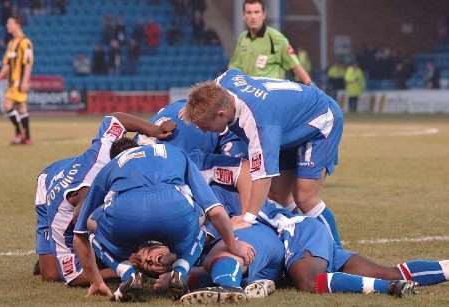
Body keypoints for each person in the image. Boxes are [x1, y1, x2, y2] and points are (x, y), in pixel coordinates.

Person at [73, 139, 255, 301]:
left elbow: (79, 234)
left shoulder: (110, 167)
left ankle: (128, 274)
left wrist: (96, 281)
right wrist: (233, 244)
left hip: (125, 216)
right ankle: (181, 270)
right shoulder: (175, 153)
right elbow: (215, 212)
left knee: (90, 227)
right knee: (201, 216)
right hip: (177, 213)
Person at [184, 68, 343, 246]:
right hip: (288, 122)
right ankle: (299, 241)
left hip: (319, 121)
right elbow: (215, 86)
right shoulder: (223, 83)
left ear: (221, 114)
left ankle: (337, 252)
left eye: (205, 125)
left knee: (304, 197)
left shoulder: (259, 124)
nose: (204, 131)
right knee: (278, 197)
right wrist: (191, 106)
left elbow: (263, 175)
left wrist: (248, 217)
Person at [34, 113, 176, 285]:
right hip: (49, 183)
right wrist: (125, 270)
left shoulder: (105, 150)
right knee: (51, 274)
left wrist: (153, 129)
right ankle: (58, 252)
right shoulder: (62, 216)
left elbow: (115, 119)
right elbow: (74, 276)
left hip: (75, 172)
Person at [257, 200, 449, 297]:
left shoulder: (231, 197)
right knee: (385, 272)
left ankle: (390, 289)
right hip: (305, 234)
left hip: (297, 232)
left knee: (308, 281)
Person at [229, 0, 311, 84]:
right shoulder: (242, 38)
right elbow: (234, 68)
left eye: (256, 12)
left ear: (264, 15)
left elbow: (296, 67)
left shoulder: (277, 38)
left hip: (271, 93)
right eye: (249, 13)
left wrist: (313, 89)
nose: (253, 16)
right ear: (243, 16)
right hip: (248, 93)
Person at [0, 15, 33, 144]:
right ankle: (27, 137)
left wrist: (25, 81)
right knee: (21, 107)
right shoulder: (11, 44)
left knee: (7, 105)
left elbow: (28, 63)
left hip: (19, 82)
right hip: (12, 81)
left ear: (17, 25)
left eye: (9, 23)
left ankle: (20, 133)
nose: (7, 26)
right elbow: (7, 65)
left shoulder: (26, 42)